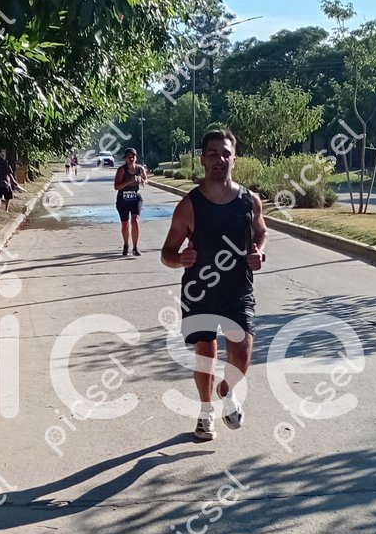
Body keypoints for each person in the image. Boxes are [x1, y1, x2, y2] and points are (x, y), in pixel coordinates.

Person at [160, 128, 266, 441]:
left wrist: (260, 251)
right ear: (203, 160)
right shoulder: (189, 206)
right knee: (206, 354)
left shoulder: (249, 201)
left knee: (242, 354)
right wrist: (180, 258)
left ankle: (226, 389)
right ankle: (205, 413)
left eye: (225, 154)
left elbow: (261, 232)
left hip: (238, 290)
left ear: (235, 159)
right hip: (200, 292)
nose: (220, 159)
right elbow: (167, 253)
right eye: (213, 154)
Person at [114, 148, 147, 257]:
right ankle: (126, 244)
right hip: (123, 199)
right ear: (125, 158)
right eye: (129, 157)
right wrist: (128, 181)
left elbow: (145, 180)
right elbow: (116, 186)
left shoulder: (140, 169)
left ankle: (135, 247)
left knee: (135, 220)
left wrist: (142, 181)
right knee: (125, 223)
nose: (131, 158)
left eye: (133, 156)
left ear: (136, 158)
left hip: (135, 197)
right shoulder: (121, 170)